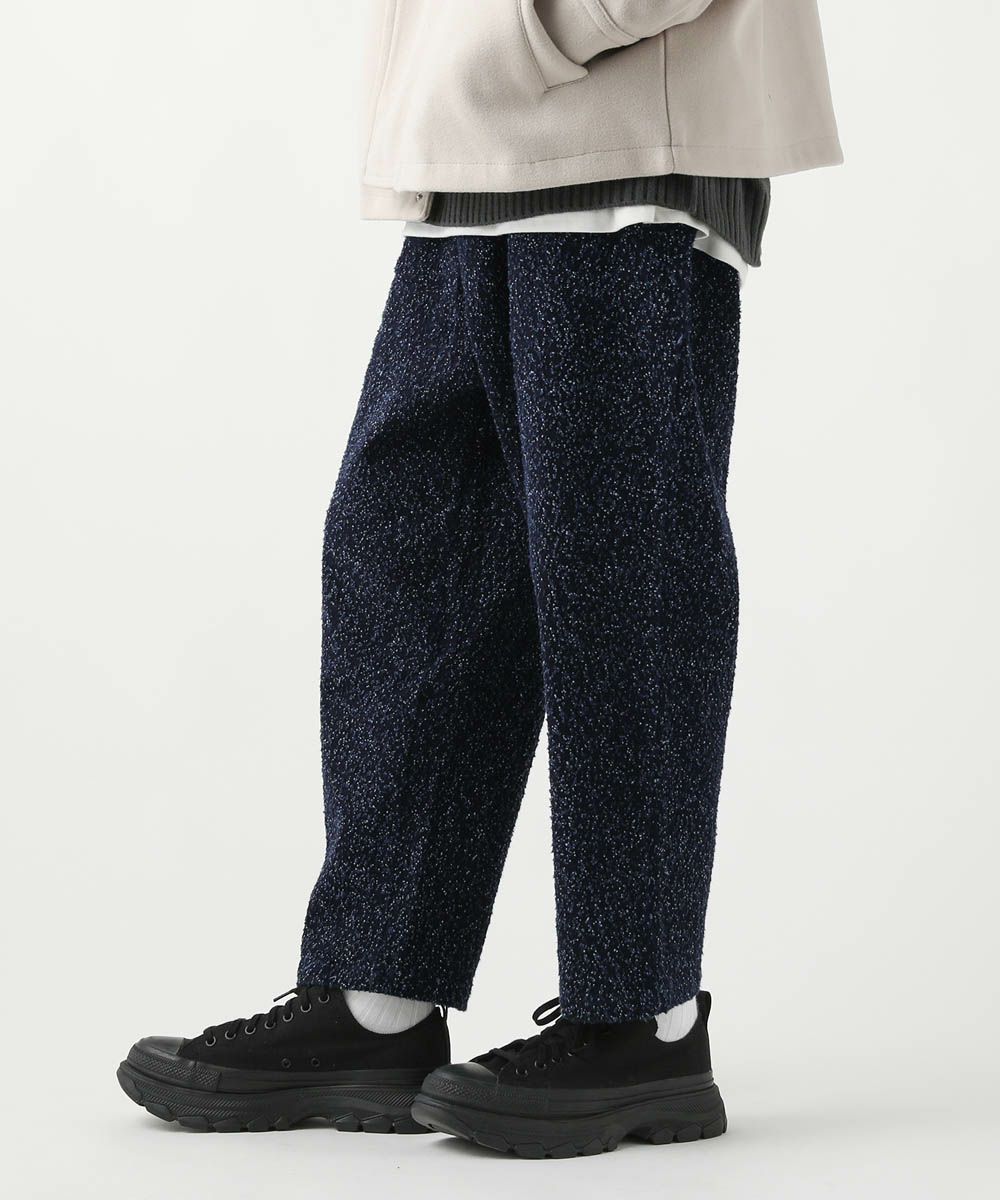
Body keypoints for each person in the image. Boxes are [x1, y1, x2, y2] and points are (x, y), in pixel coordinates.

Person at [117, 0, 840, 1158]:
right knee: (410, 562)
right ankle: (377, 999)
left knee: (623, 580)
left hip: (622, 137)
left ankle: (642, 1017)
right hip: (483, 146)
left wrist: (536, 30)